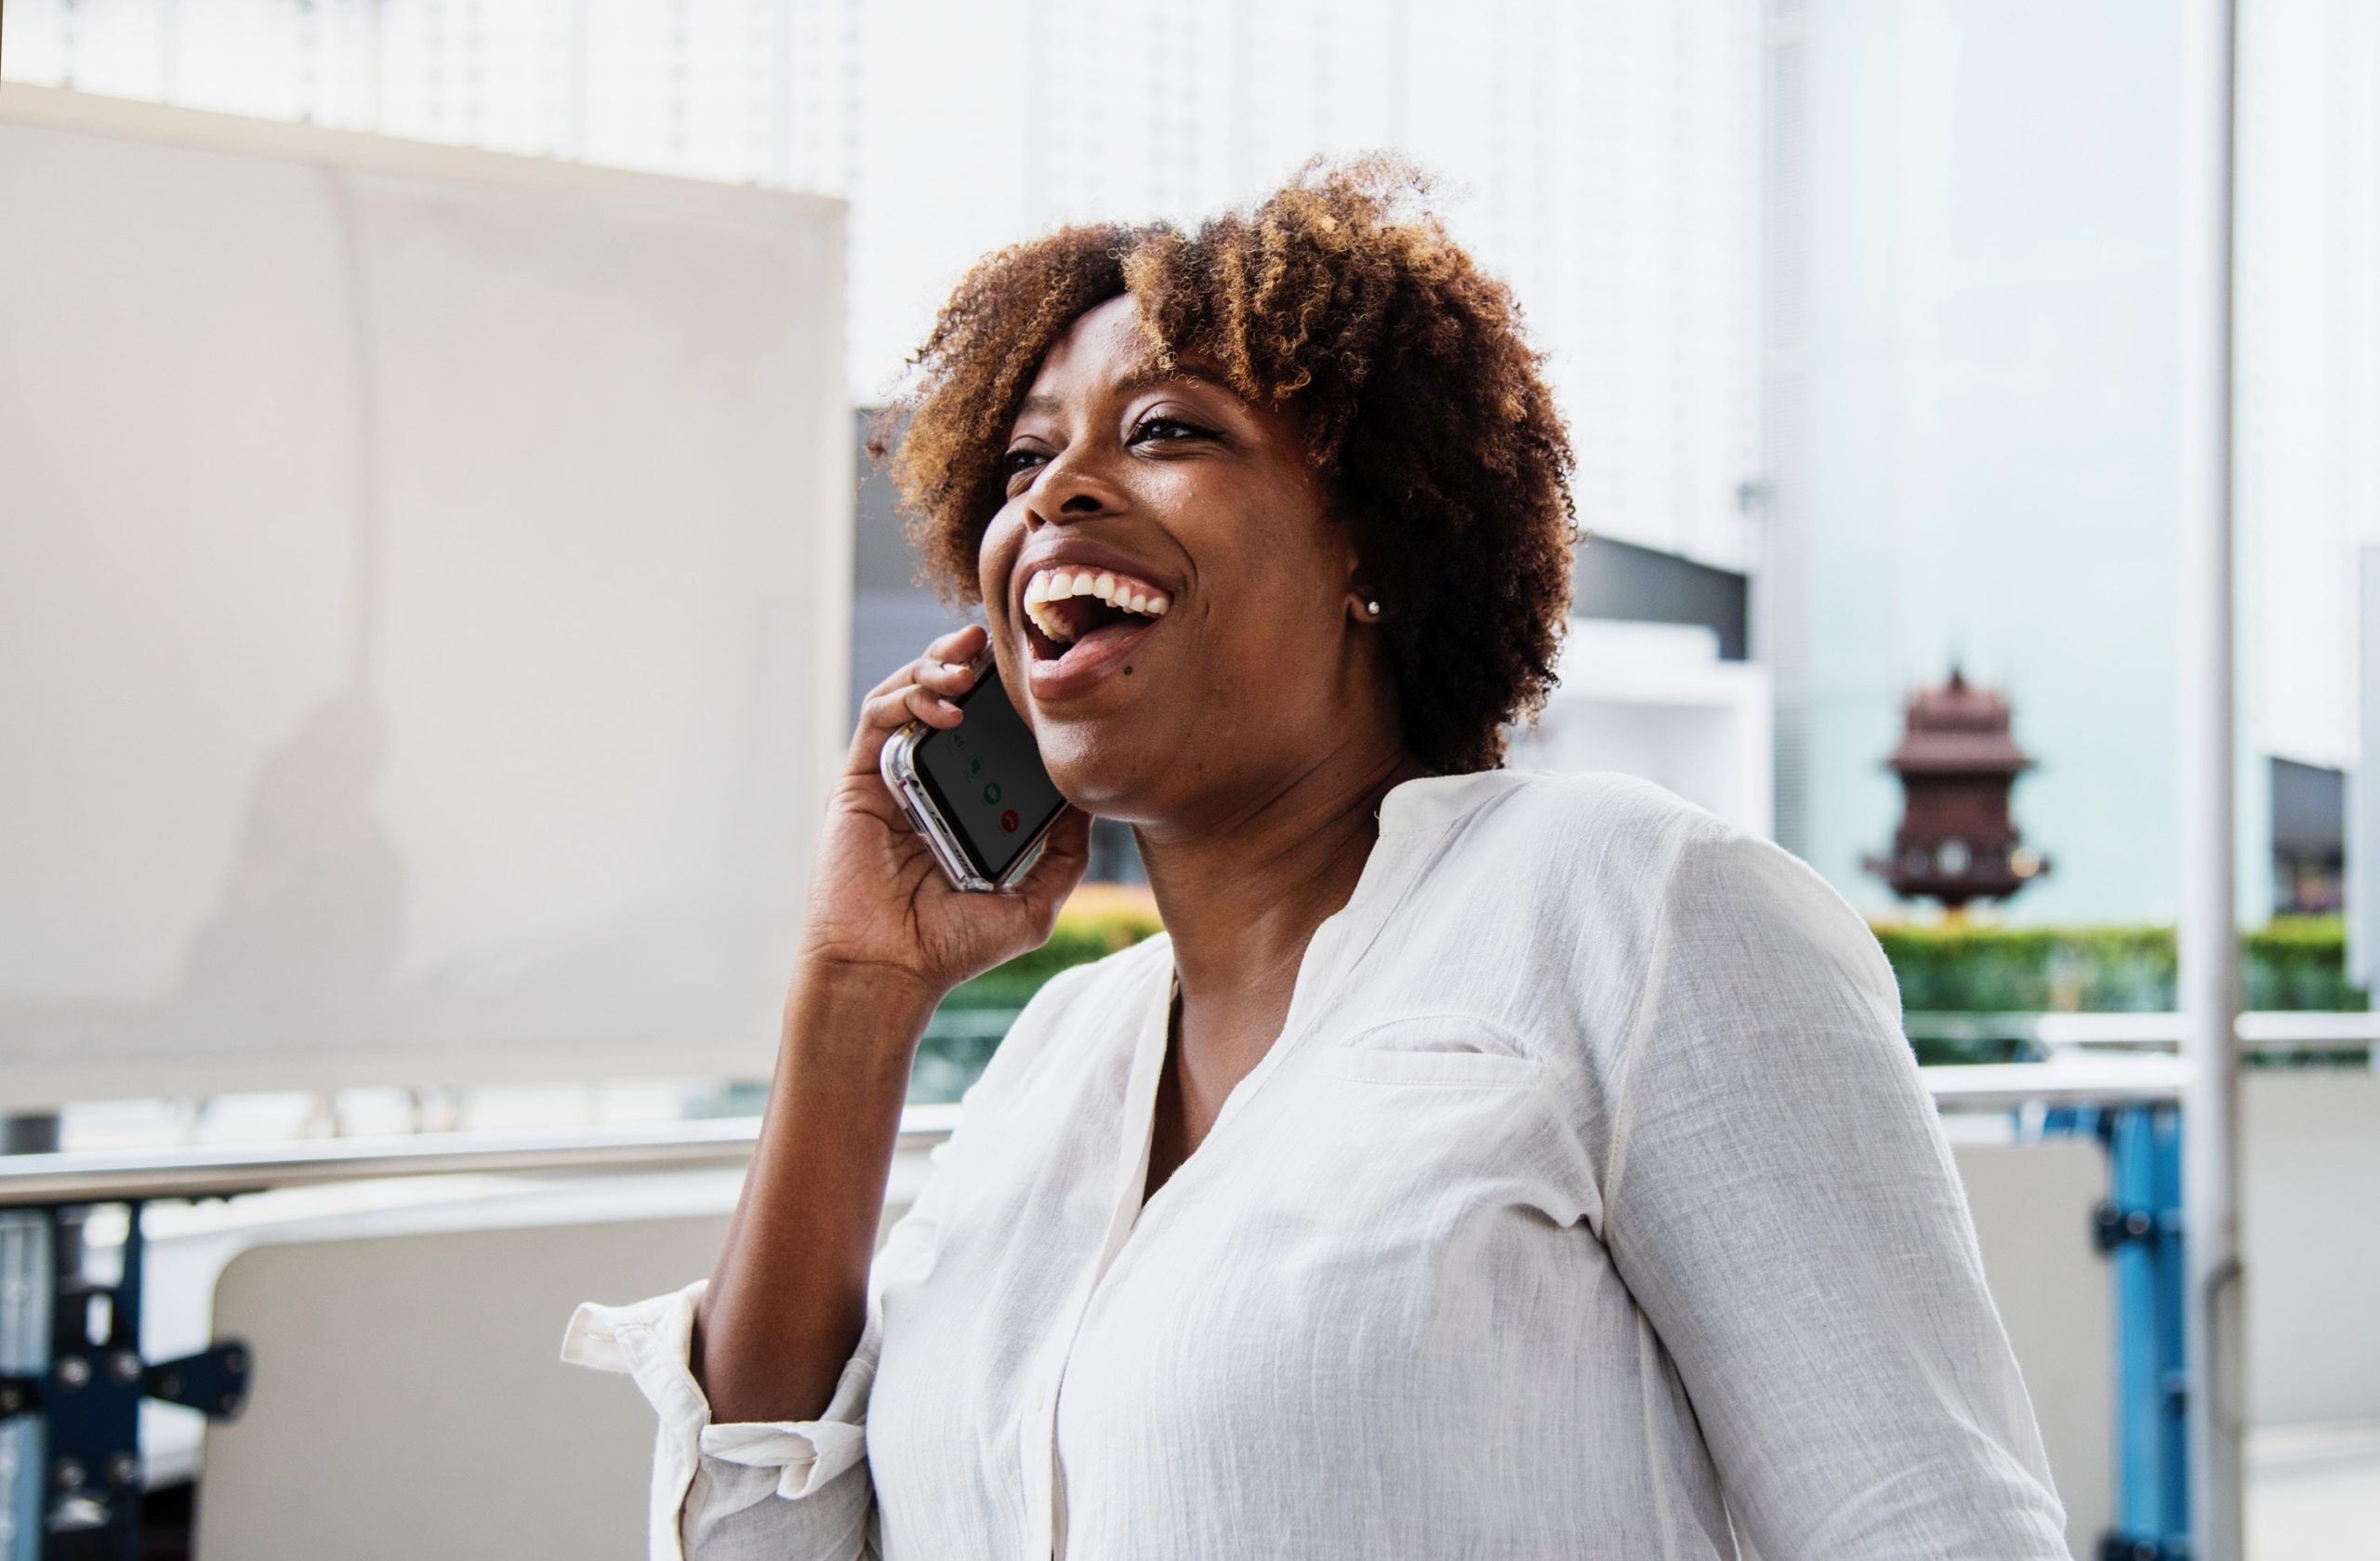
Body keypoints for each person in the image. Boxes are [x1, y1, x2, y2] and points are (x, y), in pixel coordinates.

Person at [563, 155, 2069, 1559]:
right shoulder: (1052, 1063)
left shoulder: (1636, 907)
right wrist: (854, 997)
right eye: (1024, 459)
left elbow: (1926, 1520)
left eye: (1163, 429)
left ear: (1375, 542)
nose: (1056, 495)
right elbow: (763, 1541)